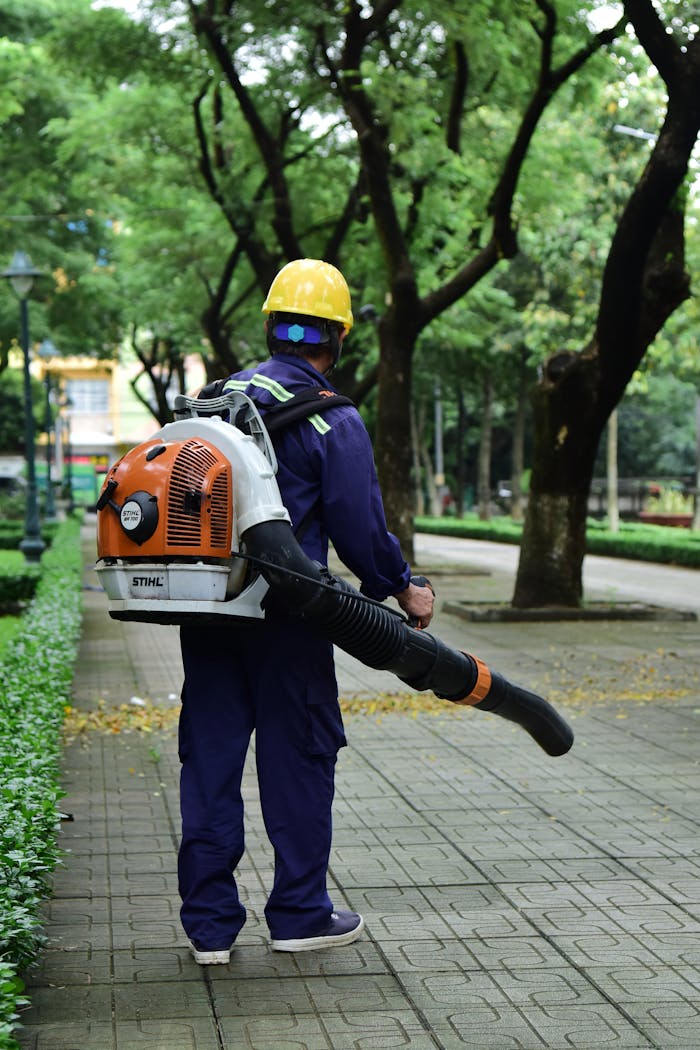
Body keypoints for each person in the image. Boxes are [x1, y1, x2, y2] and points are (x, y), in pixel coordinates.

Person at [178, 258, 435, 964]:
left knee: (209, 759)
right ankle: (297, 913)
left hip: (206, 608)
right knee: (299, 755)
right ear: (338, 338)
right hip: (289, 620)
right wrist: (405, 587)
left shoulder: (215, 400)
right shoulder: (333, 418)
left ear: (272, 326)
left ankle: (208, 926)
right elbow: (358, 529)